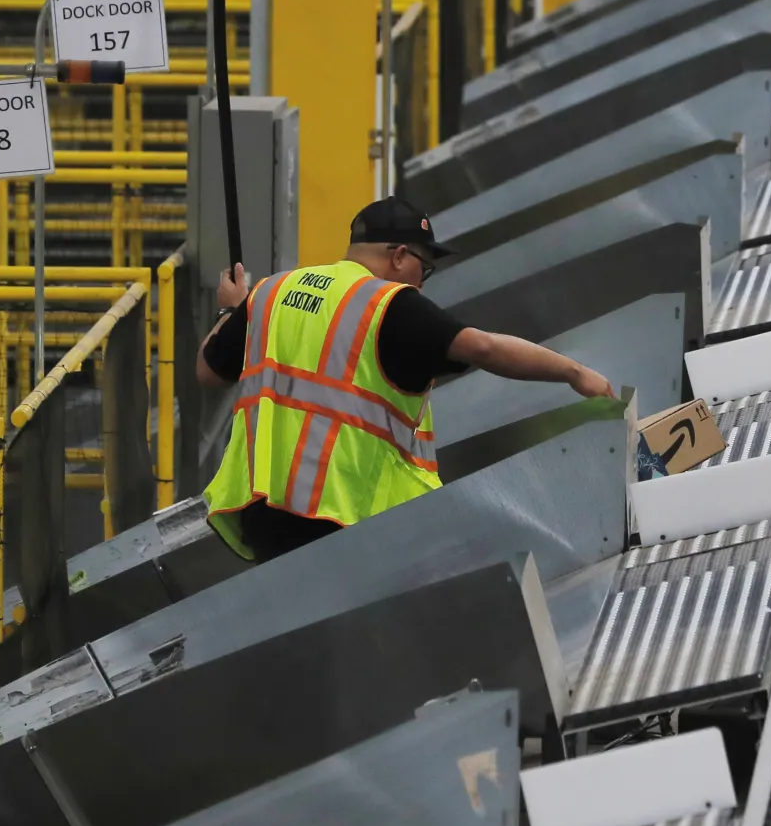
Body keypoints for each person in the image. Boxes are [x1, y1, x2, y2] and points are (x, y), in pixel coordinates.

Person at [196, 194, 615, 561]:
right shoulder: (389, 305)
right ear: (398, 256)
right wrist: (573, 372)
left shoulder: (272, 292)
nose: (421, 281)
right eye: (424, 267)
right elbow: (484, 348)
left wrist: (232, 311)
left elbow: (208, 371)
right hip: (343, 523)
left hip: (263, 513)